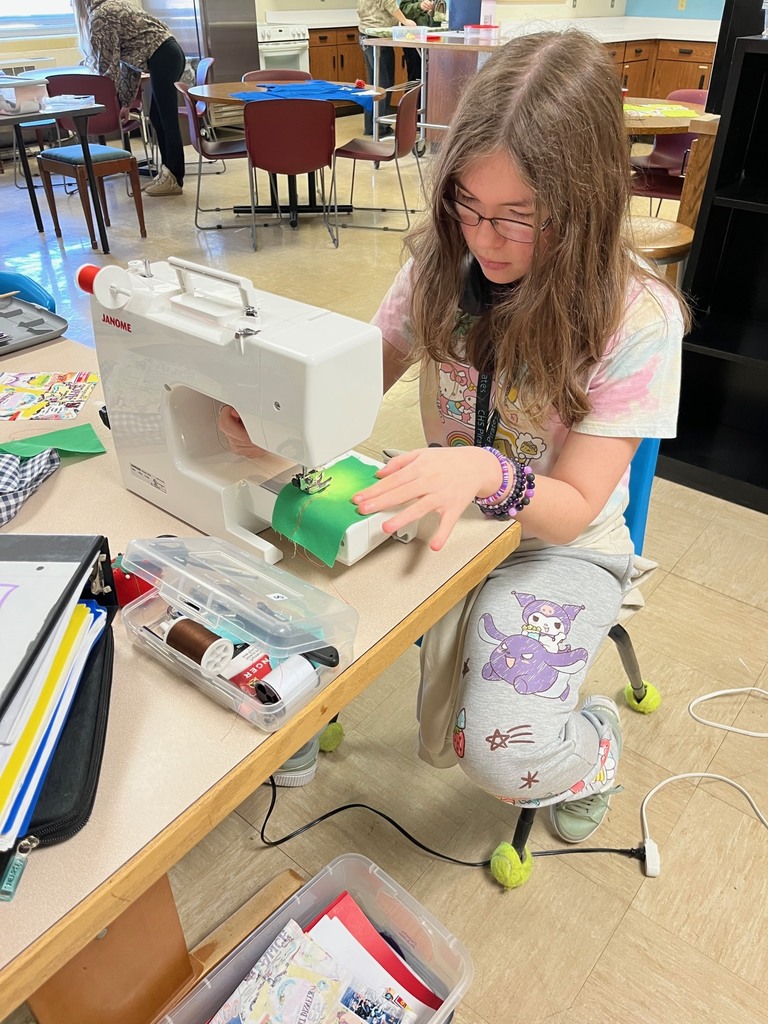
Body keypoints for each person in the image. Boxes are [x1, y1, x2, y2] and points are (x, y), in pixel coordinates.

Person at [218, 30, 685, 852]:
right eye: (467, 207)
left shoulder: (635, 317)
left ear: (587, 204)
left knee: (503, 759)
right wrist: (281, 427)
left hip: (558, 541)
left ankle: (596, 743)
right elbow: (366, 376)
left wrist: (484, 470)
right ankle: (305, 709)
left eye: (517, 218)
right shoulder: (441, 258)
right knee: (275, 588)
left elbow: (575, 508)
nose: (484, 239)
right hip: (445, 498)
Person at [71, 0, 186, 196]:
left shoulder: (101, 16)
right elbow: (129, 67)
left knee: (167, 120)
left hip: (162, 56)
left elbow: (108, 67)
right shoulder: (113, 5)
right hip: (168, 54)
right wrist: (125, 103)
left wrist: (103, 103)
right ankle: (168, 172)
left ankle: (174, 178)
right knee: (159, 119)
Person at [357, 0, 417, 135]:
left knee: (373, 85)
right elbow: (389, 4)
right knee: (384, 84)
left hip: (365, 35)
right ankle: (380, 127)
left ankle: (370, 126)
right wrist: (405, 21)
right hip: (378, 38)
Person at [397, 0, 435, 83]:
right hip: (413, 39)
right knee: (415, 79)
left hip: (432, 39)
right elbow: (403, 10)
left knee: (432, 79)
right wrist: (419, 6)